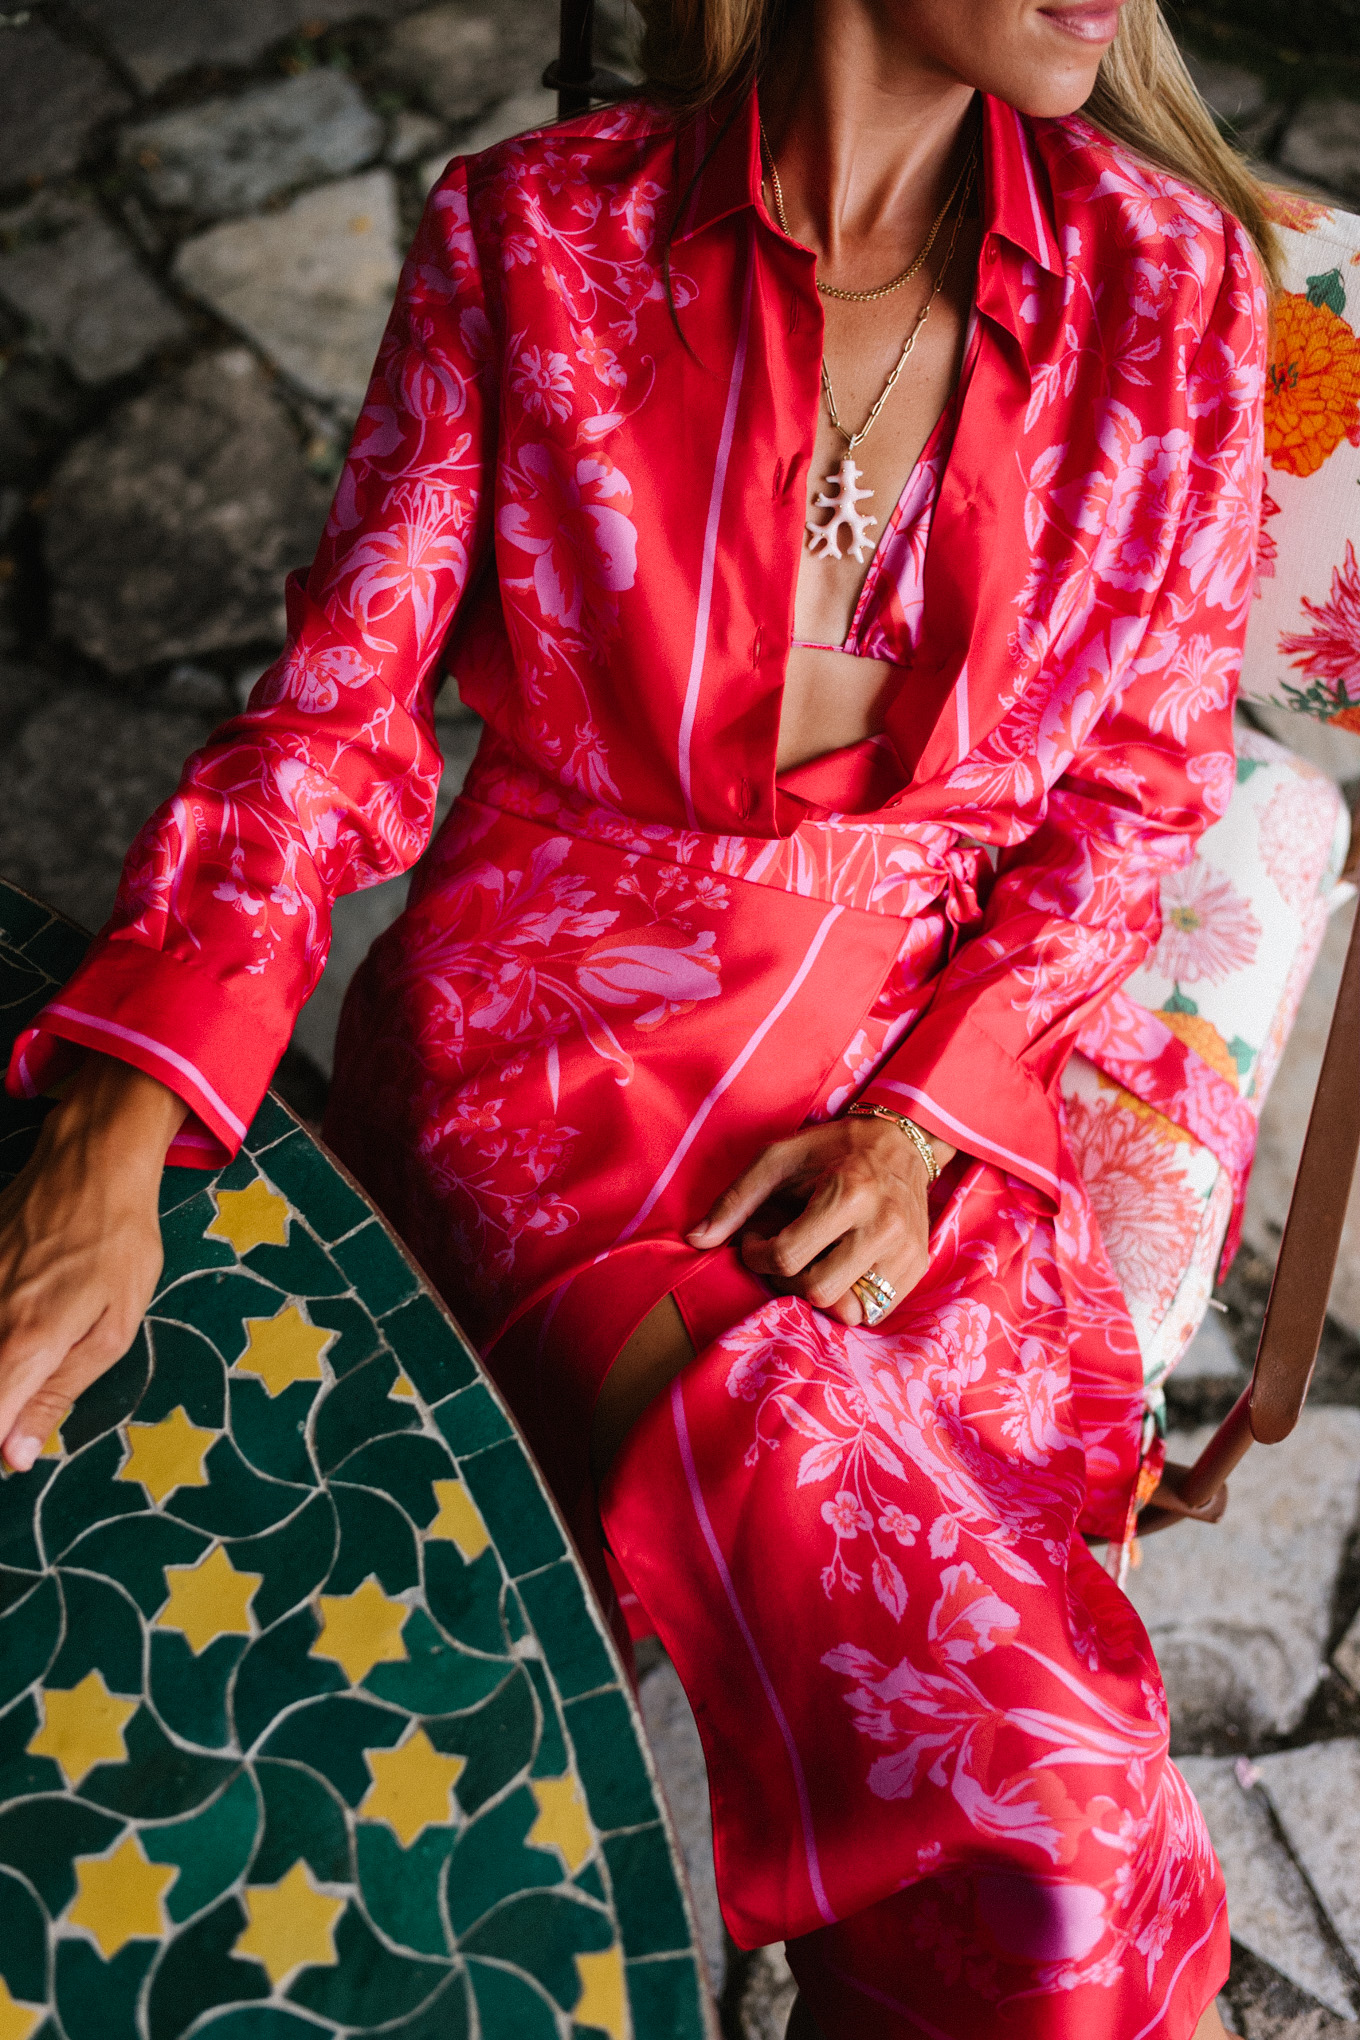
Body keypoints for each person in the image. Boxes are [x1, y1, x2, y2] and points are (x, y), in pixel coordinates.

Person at [0, 0, 1278, 2032]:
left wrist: (928, 1122)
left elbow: (1130, 803)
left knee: (1000, 1740)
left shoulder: (1171, 293)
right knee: (944, 1661)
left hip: (901, 1098)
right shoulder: (530, 241)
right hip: (555, 1058)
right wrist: (116, 1116)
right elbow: (335, 725)